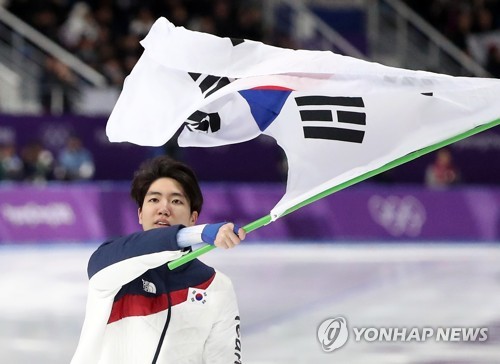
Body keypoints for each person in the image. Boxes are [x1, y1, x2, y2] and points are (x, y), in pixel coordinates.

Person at [71, 156, 246, 364]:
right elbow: (101, 268)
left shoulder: (216, 286)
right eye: (154, 199)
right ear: (140, 214)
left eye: (176, 201)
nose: (164, 208)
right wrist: (200, 234)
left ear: (193, 218)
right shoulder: (113, 262)